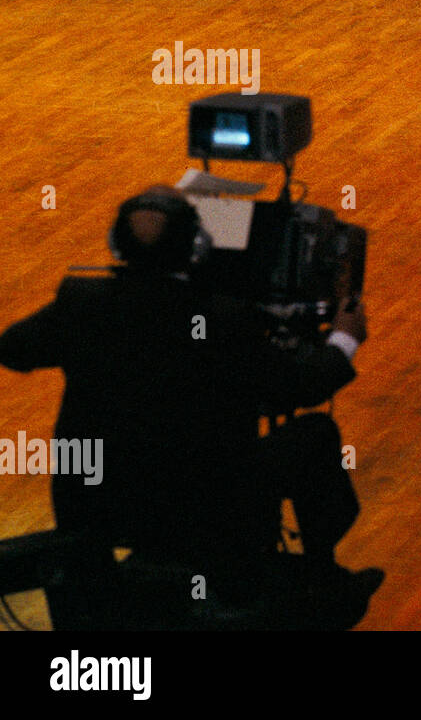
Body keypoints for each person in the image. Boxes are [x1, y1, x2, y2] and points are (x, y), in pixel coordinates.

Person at [0, 186, 380, 629]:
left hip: (95, 505)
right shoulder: (221, 319)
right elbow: (305, 384)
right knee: (314, 436)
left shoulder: (81, 303)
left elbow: (13, 349)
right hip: (203, 512)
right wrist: (344, 338)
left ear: (115, 243)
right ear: (197, 247)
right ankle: (322, 577)